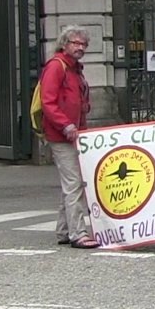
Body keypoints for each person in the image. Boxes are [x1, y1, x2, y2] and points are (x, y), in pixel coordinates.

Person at [39, 25, 97, 249]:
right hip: (62, 135)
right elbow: (48, 101)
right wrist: (66, 125)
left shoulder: (74, 69)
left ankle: (64, 230)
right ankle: (77, 233)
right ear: (64, 44)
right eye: (76, 43)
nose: (80, 47)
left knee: (72, 183)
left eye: (83, 44)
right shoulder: (57, 66)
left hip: (73, 133)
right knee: (74, 183)